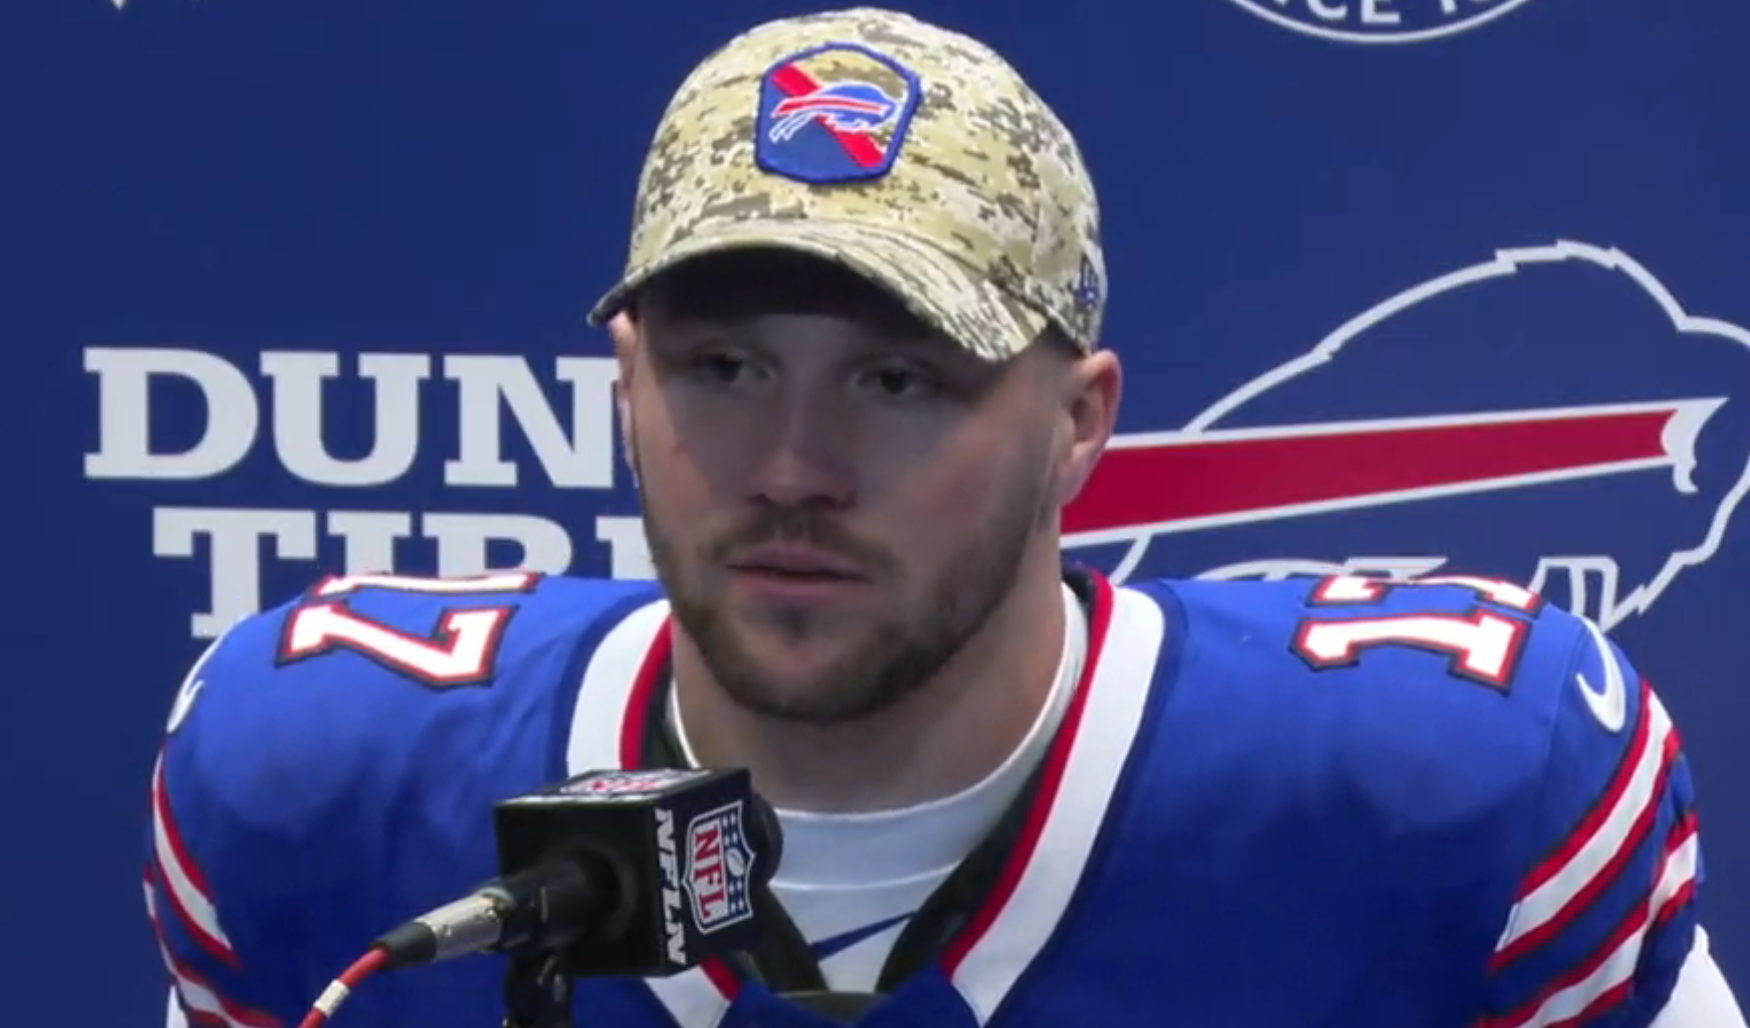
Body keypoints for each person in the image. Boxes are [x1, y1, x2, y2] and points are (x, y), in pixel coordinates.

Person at [144, 7, 1745, 1027]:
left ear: (1079, 424)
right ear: (623, 386)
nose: (789, 466)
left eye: (898, 384)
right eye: (720, 367)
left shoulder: (1442, 794)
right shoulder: (319, 776)